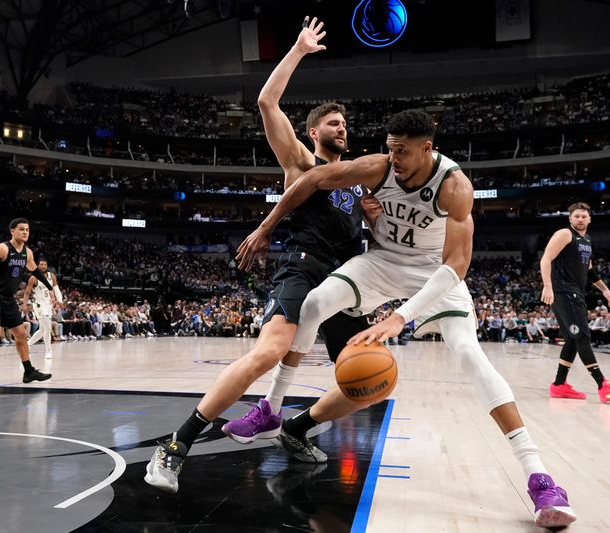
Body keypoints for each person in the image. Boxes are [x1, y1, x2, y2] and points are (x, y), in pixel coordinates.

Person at [146, 110, 576, 529]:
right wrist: (267, 226)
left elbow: (456, 265)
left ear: (427, 149)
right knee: (314, 304)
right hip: (381, 262)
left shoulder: (454, 186)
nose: (395, 160)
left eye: (403, 153)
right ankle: (271, 409)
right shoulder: (377, 167)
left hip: (434, 272)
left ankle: (540, 479)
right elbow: (312, 179)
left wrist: (401, 318)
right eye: (390, 151)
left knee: (469, 355)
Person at [207, 16, 379, 443]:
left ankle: (296, 428)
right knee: (274, 351)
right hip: (306, 267)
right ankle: (250, 413)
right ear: (313, 132)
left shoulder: (357, 182)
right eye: (334, 124)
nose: (342, 128)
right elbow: (267, 102)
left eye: (345, 124)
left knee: (368, 383)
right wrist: (299, 50)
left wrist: (377, 217)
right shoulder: (303, 163)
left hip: (346, 281)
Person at [540, 203, 610, 403]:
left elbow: (590, 271)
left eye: (584, 216)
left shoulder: (587, 240)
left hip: (577, 293)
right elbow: (546, 259)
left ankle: (559, 385)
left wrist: (606, 290)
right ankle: (602, 384)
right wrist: (547, 286)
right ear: (570, 219)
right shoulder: (565, 234)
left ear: (589, 219)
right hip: (564, 292)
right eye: (577, 216)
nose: (580, 219)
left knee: (573, 339)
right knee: (582, 335)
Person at [0, 218, 54, 391]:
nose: (25, 232)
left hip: (8, 298)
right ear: (12, 231)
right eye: (21, 229)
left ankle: (29, 372)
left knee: (21, 334)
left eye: (27, 229)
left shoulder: (27, 253)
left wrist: (50, 288)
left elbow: (35, 270)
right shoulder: (2, 248)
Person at [23, 258, 62, 358]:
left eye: (45, 264)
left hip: (48, 304)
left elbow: (56, 289)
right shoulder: (33, 278)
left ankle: (27, 345)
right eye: (41, 264)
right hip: (38, 304)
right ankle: (48, 351)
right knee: (48, 328)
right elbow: (27, 293)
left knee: (42, 330)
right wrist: (24, 304)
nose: (43, 266)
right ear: (37, 265)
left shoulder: (51, 276)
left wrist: (60, 301)